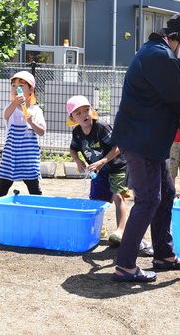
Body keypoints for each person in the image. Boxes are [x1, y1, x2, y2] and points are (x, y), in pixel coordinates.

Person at [110, 11, 180, 283]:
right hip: (140, 139)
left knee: (166, 194)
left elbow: (165, 100)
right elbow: (179, 101)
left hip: (149, 138)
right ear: (179, 38)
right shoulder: (161, 56)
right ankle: (125, 265)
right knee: (148, 200)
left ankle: (163, 255)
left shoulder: (155, 51)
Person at [0, 71, 46, 230]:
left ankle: (39, 216)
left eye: (21, 86)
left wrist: (31, 121)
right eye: (13, 86)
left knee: (34, 189)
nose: (16, 89)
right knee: (2, 188)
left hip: (28, 156)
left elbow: (41, 132)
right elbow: (6, 115)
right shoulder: (9, 107)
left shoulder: (36, 110)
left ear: (31, 90)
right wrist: (14, 103)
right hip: (11, 155)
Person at [67, 95, 130, 246]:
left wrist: (102, 161)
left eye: (86, 110)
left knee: (118, 197)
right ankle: (99, 229)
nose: (84, 115)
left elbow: (118, 147)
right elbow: (72, 149)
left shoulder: (101, 127)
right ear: (73, 118)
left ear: (92, 110)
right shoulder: (77, 132)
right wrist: (79, 161)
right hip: (99, 171)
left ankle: (120, 231)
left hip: (117, 167)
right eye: (78, 113)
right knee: (96, 199)